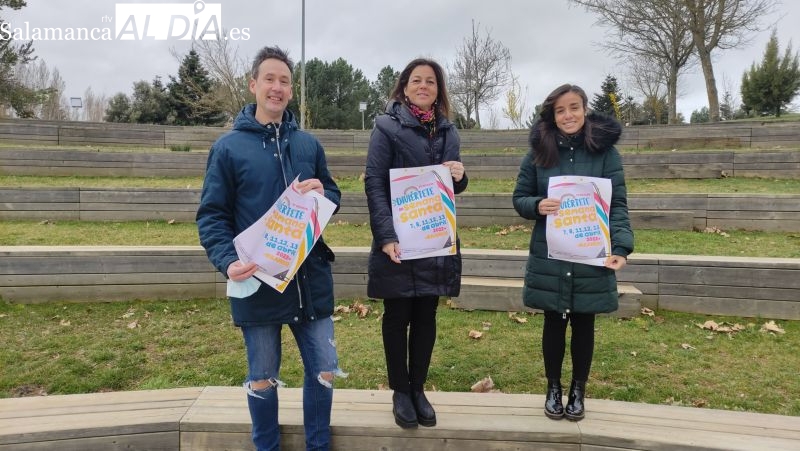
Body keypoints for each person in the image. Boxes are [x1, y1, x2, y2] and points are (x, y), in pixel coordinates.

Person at [196, 46, 344, 451]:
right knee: (261, 375)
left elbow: (331, 193)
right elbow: (211, 215)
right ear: (253, 85)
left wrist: (324, 191)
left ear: (291, 91)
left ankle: (318, 446)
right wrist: (227, 262)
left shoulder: (309, 145)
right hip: (257, 282)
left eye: (284, 81)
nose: (276, 88)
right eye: (269, 79)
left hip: (309, 280)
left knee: (324, 371)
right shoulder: (228, 148)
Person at [512, 84, 633, 421]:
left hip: (591, 253)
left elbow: (617, 205)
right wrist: (538, 205)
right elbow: (519, 198)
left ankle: (578, 390)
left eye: (574, 107)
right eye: (561, 110)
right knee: (553, 321)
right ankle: (553, 388)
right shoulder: (538, 153)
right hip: (552, 252)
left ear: (585, 109)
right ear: (552, 115)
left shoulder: (606, 154)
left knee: (584, 322)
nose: (568, 115)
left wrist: (621, 246)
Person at [364, 58, 468, 429]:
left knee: (427, 315)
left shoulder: (449, 132)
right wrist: (386, 236)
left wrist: (460, 176)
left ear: (438, 90)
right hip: (400, 241)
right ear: (404, 87)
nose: (423, 86)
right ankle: (400, 391)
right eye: (416, 80)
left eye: (431, 82)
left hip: (434, 238)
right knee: (397, 318)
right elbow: (374, 183)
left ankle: (418, 389)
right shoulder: (386, 128)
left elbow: (450, 188)